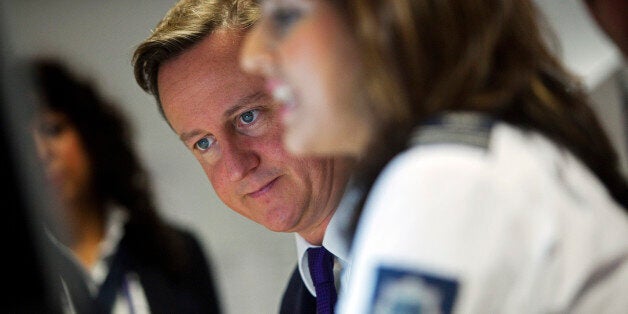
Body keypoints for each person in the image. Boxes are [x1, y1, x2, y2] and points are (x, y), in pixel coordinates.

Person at [240, 0, 628, 313]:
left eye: (287, 16)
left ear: (390, 18)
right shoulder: (484, 158)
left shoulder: (445, 183)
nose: (254, 54)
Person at [131, 1, 355, 313]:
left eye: (248, 117)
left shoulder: (421, 227)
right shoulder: (299, 299)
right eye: (204, 143)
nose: (237, 168)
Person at [30, 58, 222, 314]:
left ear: (90, 134)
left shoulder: (178, 253)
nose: (42, 152)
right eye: (23, 142)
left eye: (52, 129)